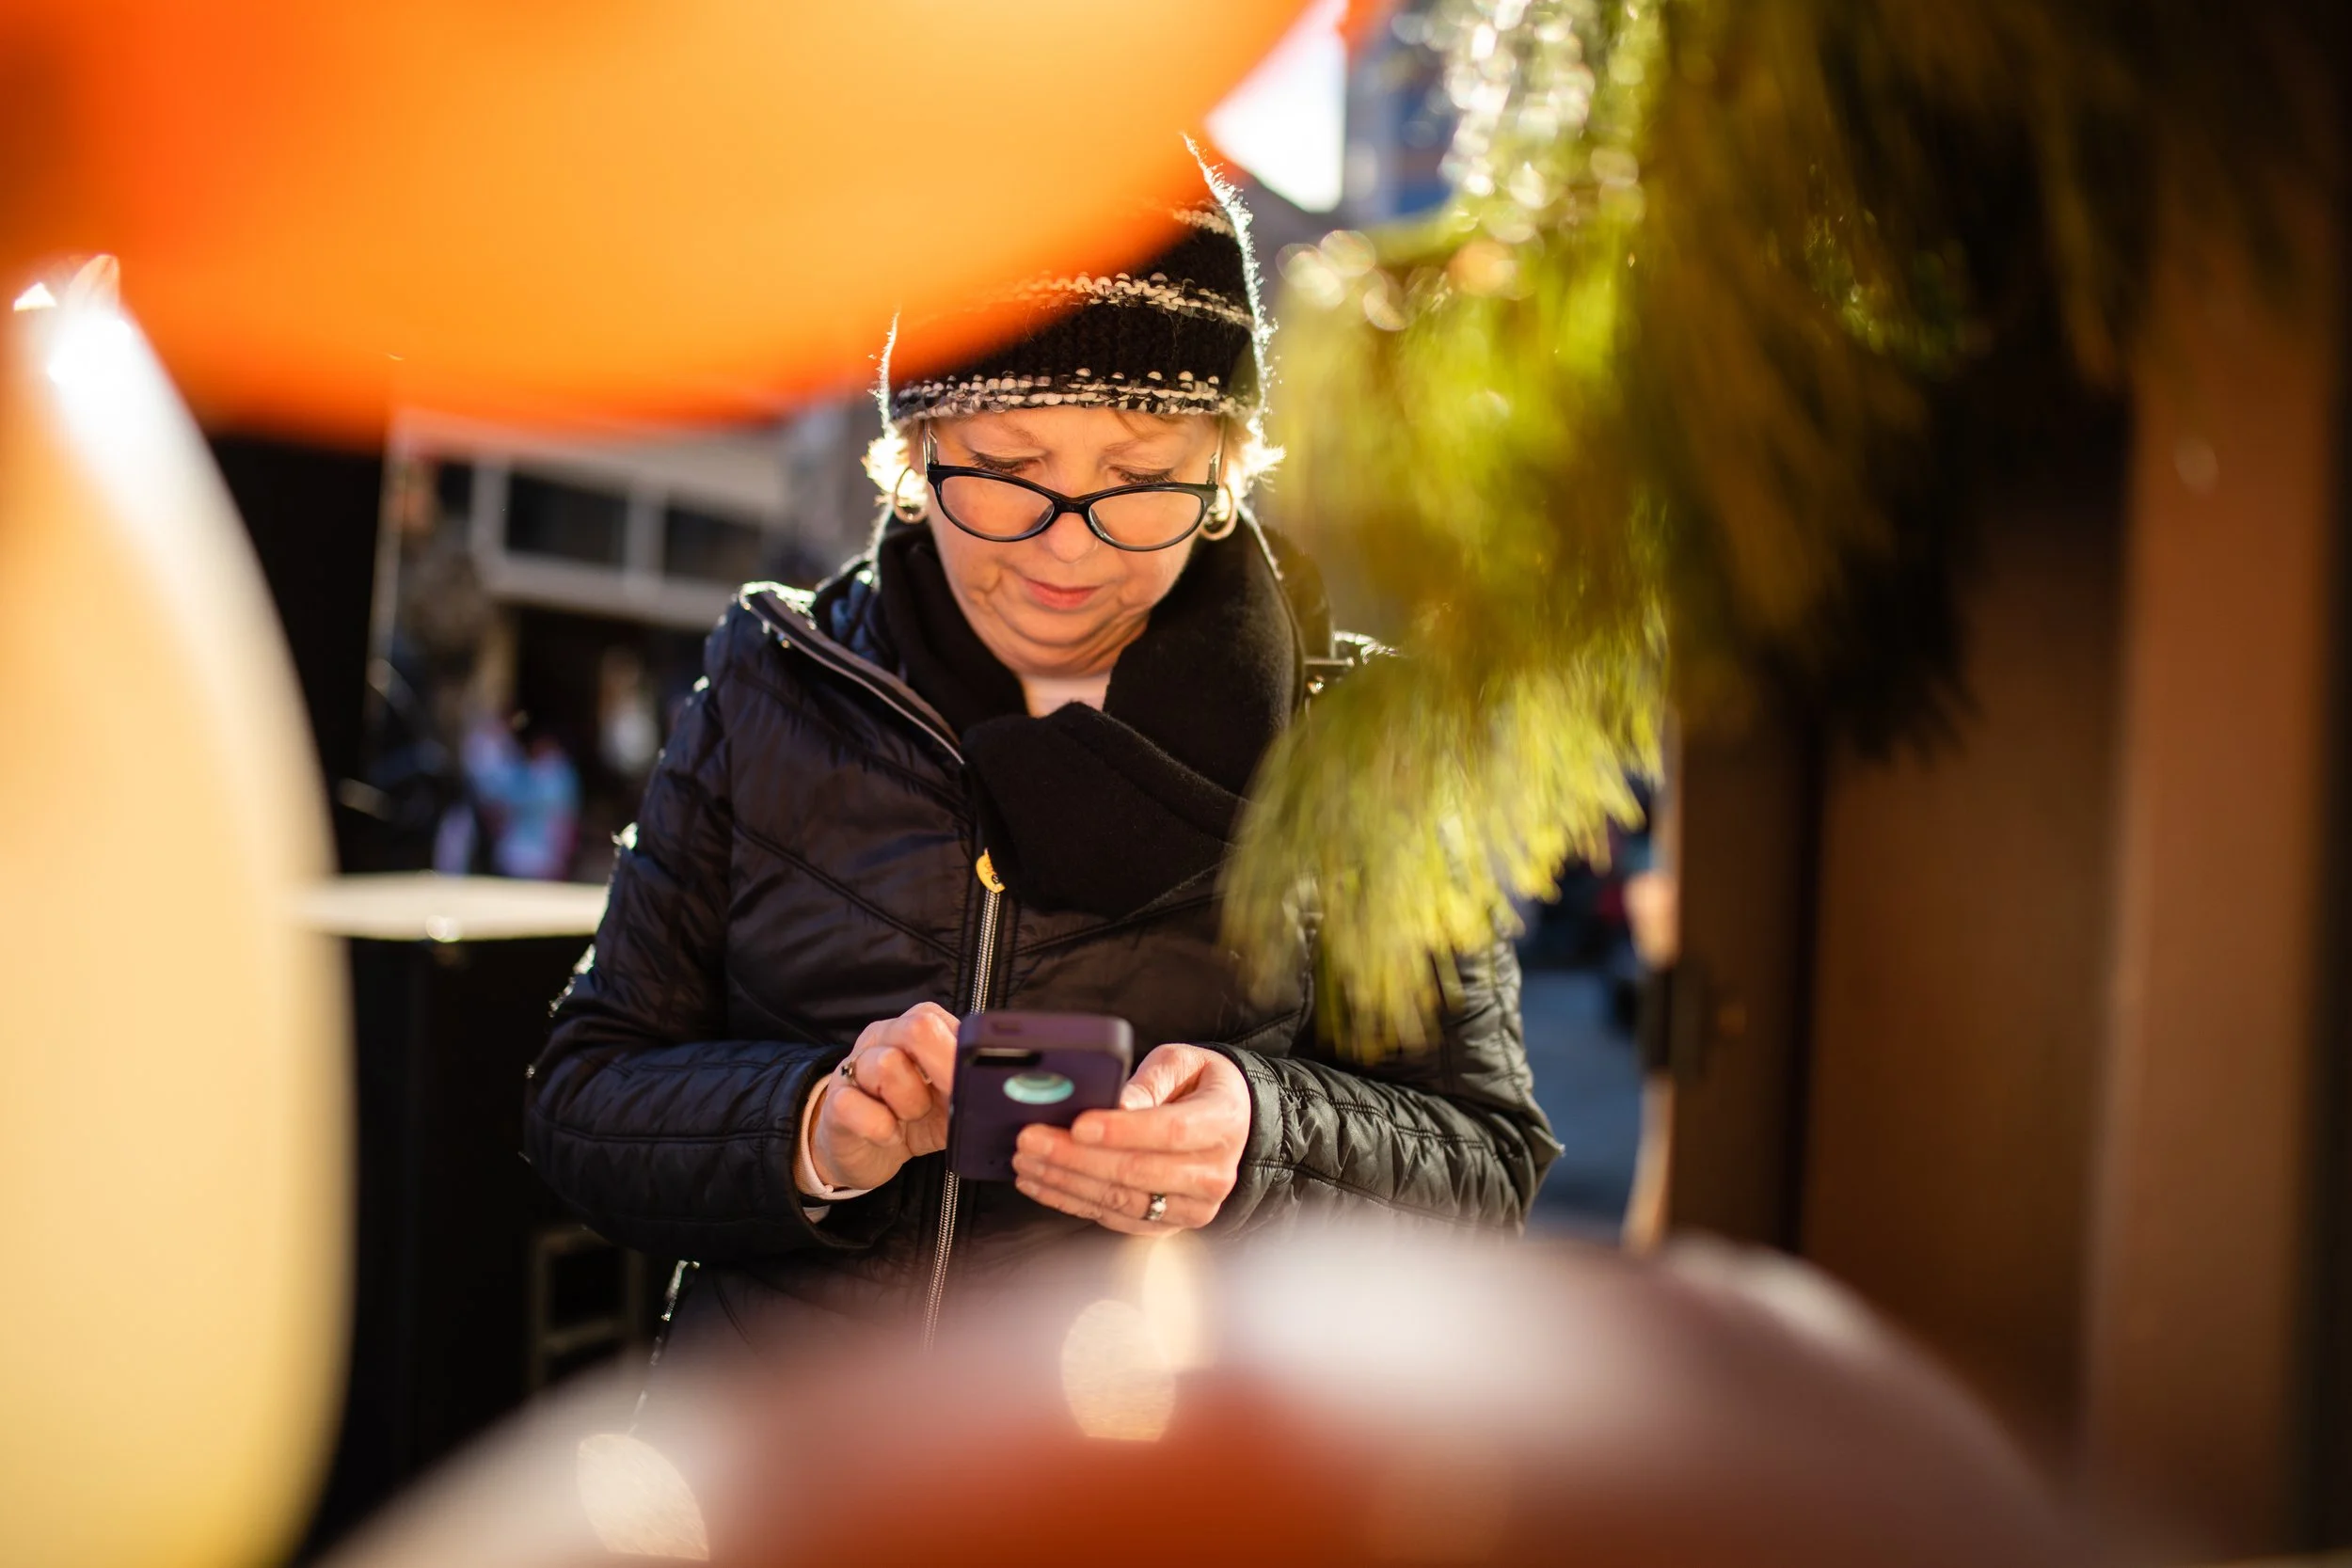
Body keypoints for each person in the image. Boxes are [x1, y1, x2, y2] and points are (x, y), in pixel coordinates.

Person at [523, 167, 1559, 1354]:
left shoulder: (1357, 749)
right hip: (790, 1475)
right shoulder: (773, 686)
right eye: (1010, 471)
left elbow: (1486, 1165)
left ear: (1225, 464)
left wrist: (1262, 1141)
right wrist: (809, 1126)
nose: (1068, 549)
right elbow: (582, 1102)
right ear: (915, 450)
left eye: (1134, 478)